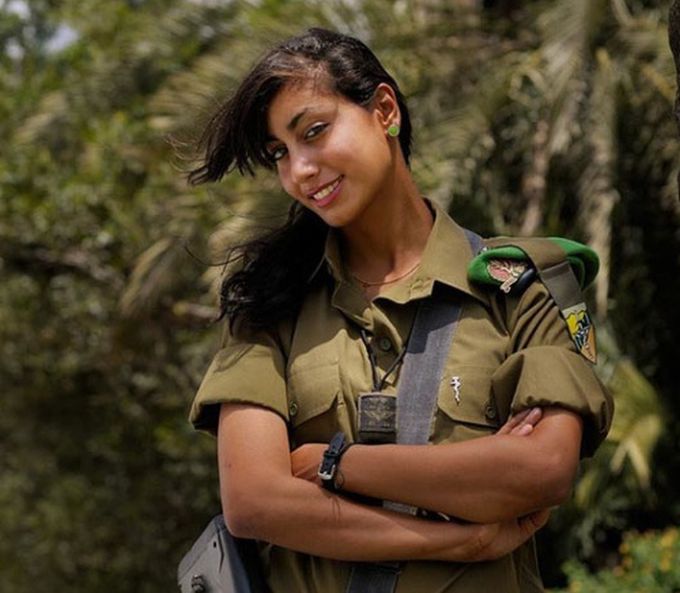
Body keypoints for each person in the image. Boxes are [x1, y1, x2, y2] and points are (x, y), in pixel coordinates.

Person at [187, 27, 613, 593]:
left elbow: (541, 471)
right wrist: (459, 539)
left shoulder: (520, 290)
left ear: (384, 110)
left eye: (314, 132)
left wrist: (329, 463)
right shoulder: (268, 304)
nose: (300, 170)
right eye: (280, 155)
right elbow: (254, 501)